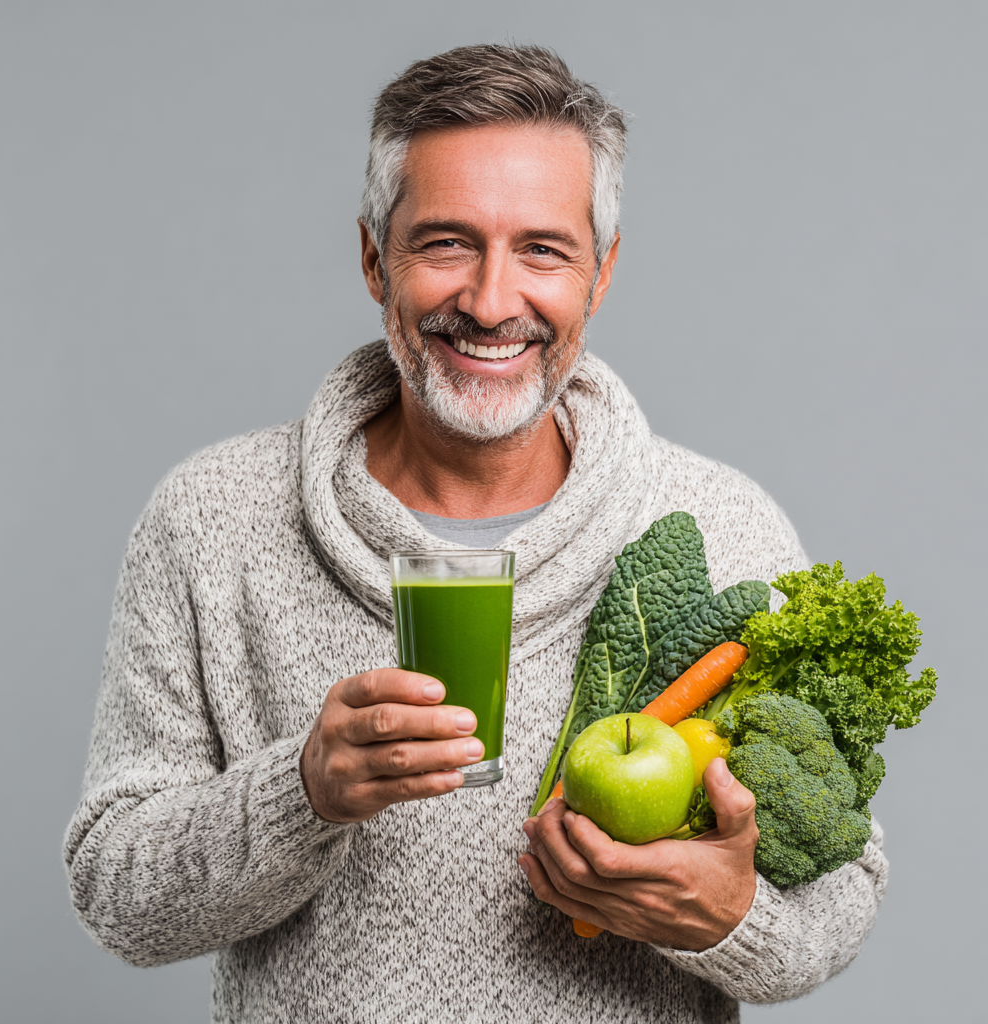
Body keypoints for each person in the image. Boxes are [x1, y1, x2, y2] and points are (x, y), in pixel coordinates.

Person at [65, 44, 887, 1023]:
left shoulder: (718, 525)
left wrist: (733, 917)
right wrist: (303, 792)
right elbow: (116, 896)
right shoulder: (214, 520)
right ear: (374, 258)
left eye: (542, 250)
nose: (492, 303)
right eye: (447, 243)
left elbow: (839, 893)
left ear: (600, 273)